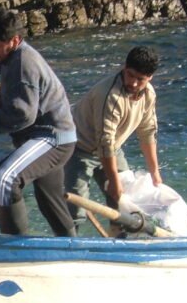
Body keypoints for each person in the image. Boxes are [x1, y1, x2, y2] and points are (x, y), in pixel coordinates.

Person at [0, 9, 78, 237]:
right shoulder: (11, 57)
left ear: (14, 40)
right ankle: (72, 248)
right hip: (52, 136)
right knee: (50, 202)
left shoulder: (23, 63)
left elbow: (23, 115)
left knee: (4, 178)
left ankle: (14, 246)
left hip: (52, 138)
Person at [64, 46, 161, 234]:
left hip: (112, 148)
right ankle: (69, 247)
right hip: (79, 146)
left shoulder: (148, 94)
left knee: (124, 205)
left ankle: (119, 245)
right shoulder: (109, 95)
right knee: (76, 209)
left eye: (140, 79)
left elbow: (147, 132)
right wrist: (114, 183)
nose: (133, 83)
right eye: (130, 75)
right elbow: (104, 142)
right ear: (124, 68)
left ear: (149, 78)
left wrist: (155, 172)